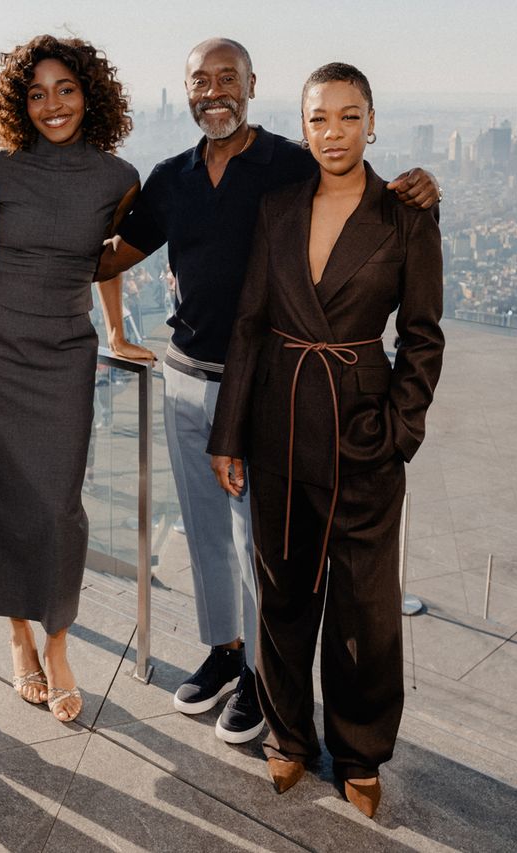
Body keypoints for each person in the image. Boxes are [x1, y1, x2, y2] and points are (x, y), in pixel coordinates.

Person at [95, 38, 439, 746]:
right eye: (201, 80)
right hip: (185, 378)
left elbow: (361, 198)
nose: (214, 90)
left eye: (229, 78)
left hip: (265, 390)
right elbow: (112, 254)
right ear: (186, 90)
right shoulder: (171, 178)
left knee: (264, 549)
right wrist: (108, 320)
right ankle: (224, 650)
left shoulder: (288, 162)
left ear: (253, 85)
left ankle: (261, 674)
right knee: (204, 535)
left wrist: (421, 185)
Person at [208, 62, 444, 816]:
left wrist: (398, 431)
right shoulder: (278, 207)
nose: (333, 132)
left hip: (362, 429)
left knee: (365, 607)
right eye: (318, 118)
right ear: (302, 125)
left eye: (348, 116)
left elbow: (423, 336)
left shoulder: (406, 213)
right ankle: (289, 737)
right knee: (282, 590)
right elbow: (248, 324)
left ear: (372, 121)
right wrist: (229, 435)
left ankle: (360, 748)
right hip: (277, 421)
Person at [0, 35, 154, 724]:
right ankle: (19, 639)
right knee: (3, 499)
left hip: (65, 354)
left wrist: (117, 331)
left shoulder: (118, 177)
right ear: (22, 104)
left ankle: (60, 641)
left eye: (66, 89)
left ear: (90, 94)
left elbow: (108, 260)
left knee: (59, 505)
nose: (52, 105)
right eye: (37, 93)